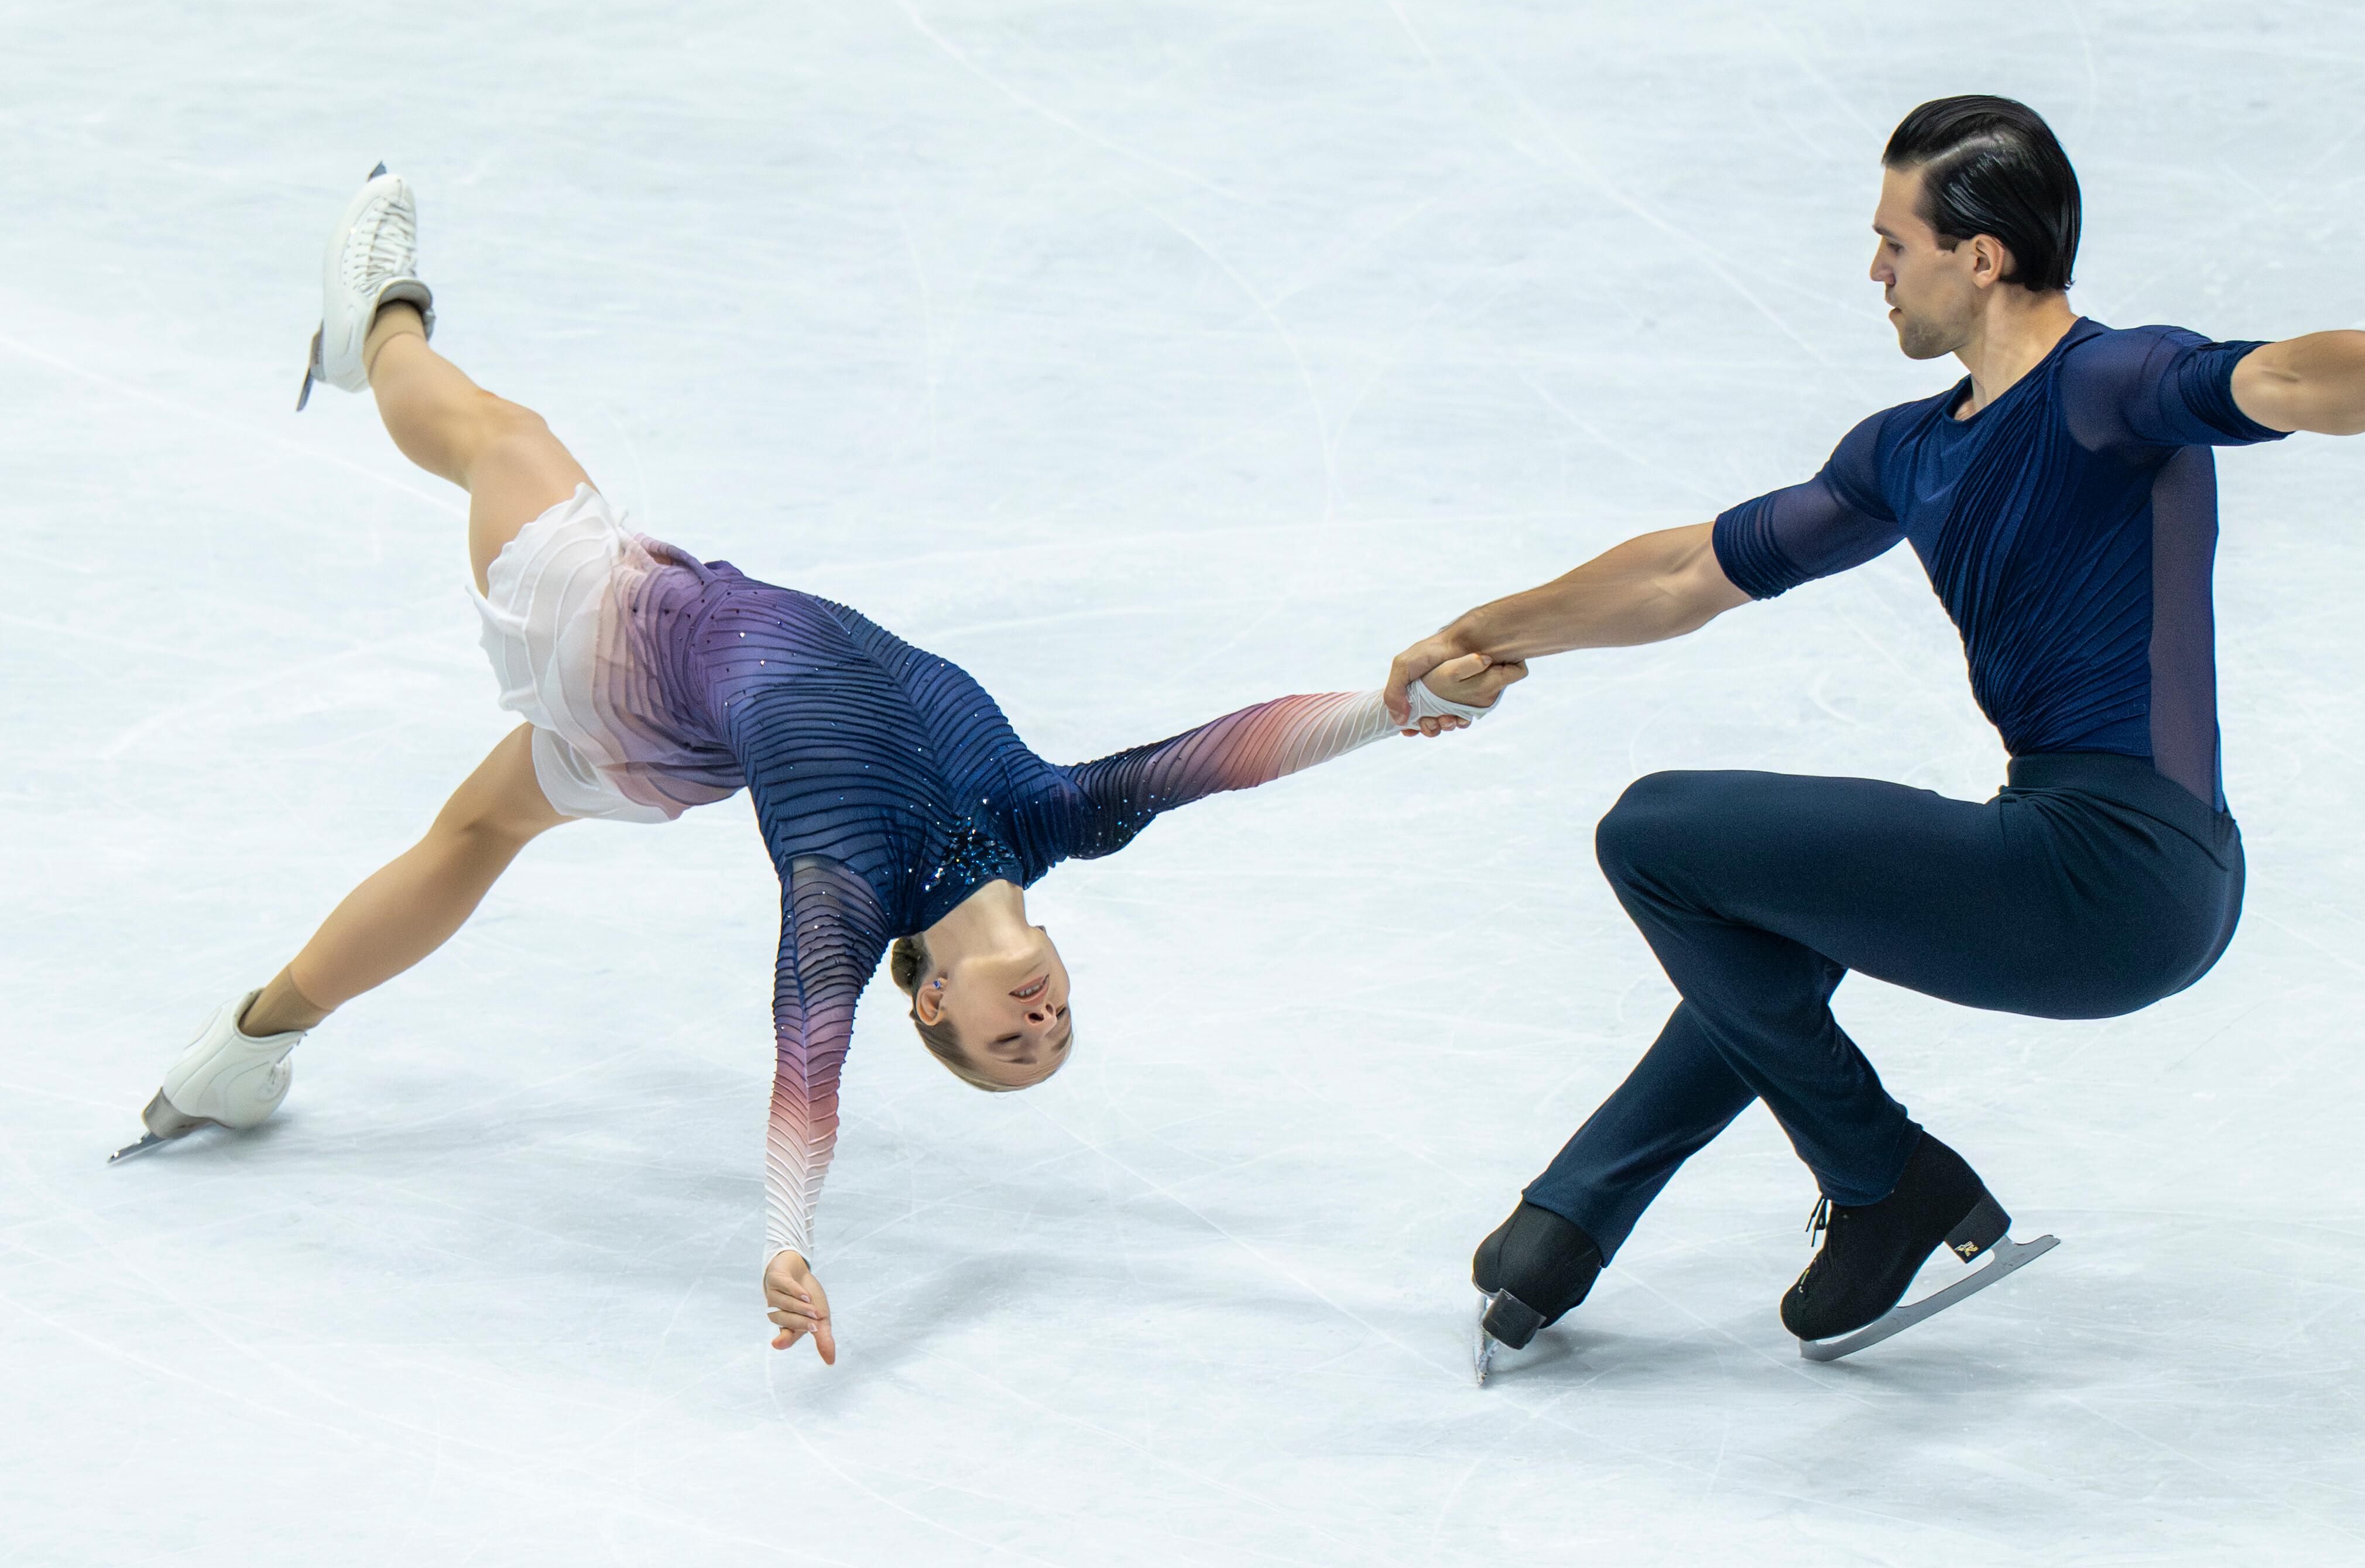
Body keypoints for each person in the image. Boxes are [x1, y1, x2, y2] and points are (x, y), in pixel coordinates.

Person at [128, 167, 1522, 1367]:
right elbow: (1219, 757)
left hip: (614, 635)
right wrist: (1388, 710)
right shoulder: (1045, 822)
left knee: (502, 435)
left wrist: (787, 1239)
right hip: (669, 742)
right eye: (1054, 1030)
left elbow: (807, 1058)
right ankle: (246, 1046)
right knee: (474, 833)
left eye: (1006, 1041)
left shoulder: (847, 891)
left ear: (934, 1013)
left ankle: (374, 324)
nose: (1037, 1019)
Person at [1382, 95, 2365, 1367]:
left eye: (1895, 241)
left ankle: (1884, 1174)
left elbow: (2289, 377)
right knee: (1767, 899)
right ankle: (1567, 1221)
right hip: (2088, 867)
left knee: (1656, 832)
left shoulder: (2109, 385)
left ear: (1979, 257)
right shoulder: (1904, 451)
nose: (1874, 269)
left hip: (2115, 872)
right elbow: (1685, 573)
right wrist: (1483, 631)